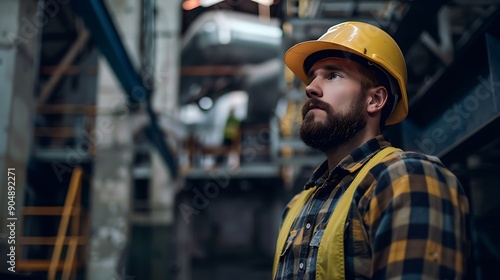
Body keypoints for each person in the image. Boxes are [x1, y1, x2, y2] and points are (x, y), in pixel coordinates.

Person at [272, 21, 470, 279]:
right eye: (312, 78)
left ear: (374, 100)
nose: (310, 88)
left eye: (333, 75)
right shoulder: (295, 207)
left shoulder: (406, 179)